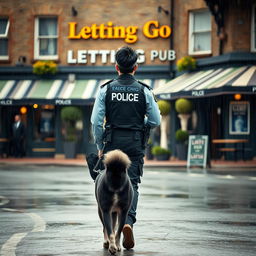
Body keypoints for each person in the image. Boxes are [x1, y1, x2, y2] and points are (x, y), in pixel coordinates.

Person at [90, 46, 161, 250]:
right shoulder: (144, 90)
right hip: (135, 142)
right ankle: (128, 222)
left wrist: (99, 145)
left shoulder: (106, 89)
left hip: (112, 144)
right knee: (133, 184)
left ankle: (110, 232)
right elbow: (155, 120)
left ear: (116, 67)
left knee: (109, 182)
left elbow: (96, 121)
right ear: (135, 67)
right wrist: (142, 126)